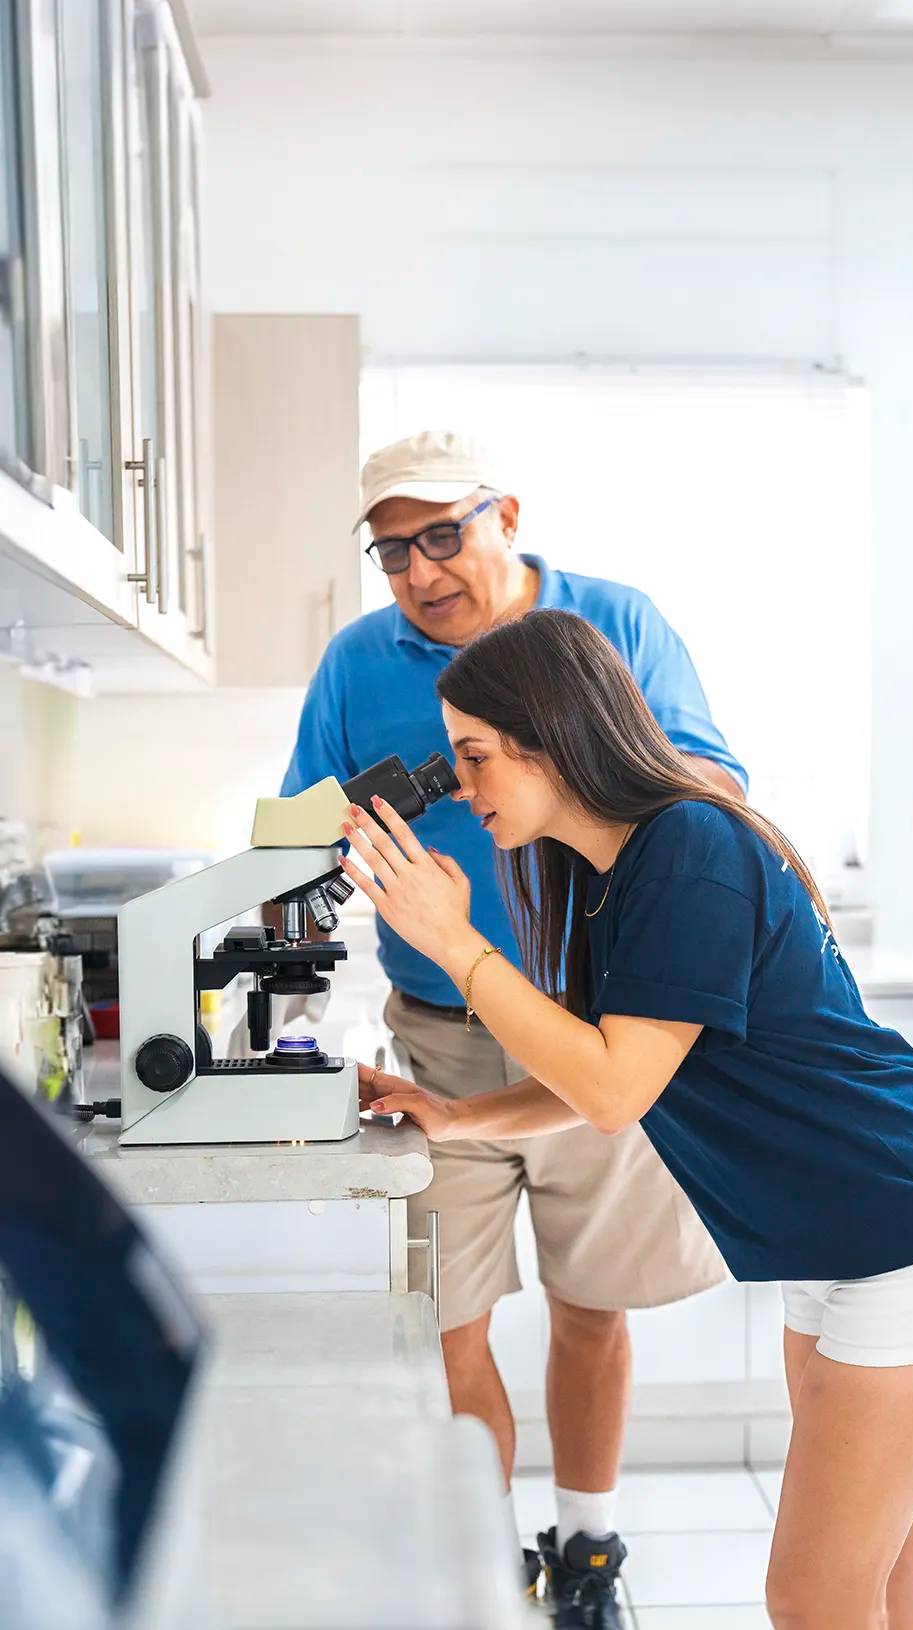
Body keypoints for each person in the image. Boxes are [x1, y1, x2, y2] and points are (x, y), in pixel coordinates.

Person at [338, 607, 913, 1630]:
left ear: (553, 737)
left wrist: (453, 941)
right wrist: (457, 1117)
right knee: (898, 1581)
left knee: (815, 1594)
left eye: (474, 757)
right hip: (845, 1241)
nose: (461, 789)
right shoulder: (617, 876)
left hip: (908, 1232)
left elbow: (614, 1093)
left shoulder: (689, 849)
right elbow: (611, 1071)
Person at [280, 430, 748, 1624]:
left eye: (444, 533)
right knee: (446, 1321)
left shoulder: (613, 625)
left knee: (592, 1305)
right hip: (439, 1031)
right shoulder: (355, 663)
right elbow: (297, 841)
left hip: (604, 1024)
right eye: (394, 552)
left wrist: (558, 779)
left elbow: (711, 791)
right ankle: (481, 1570)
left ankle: (586, 1553)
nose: (423, 570)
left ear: (506, 516)